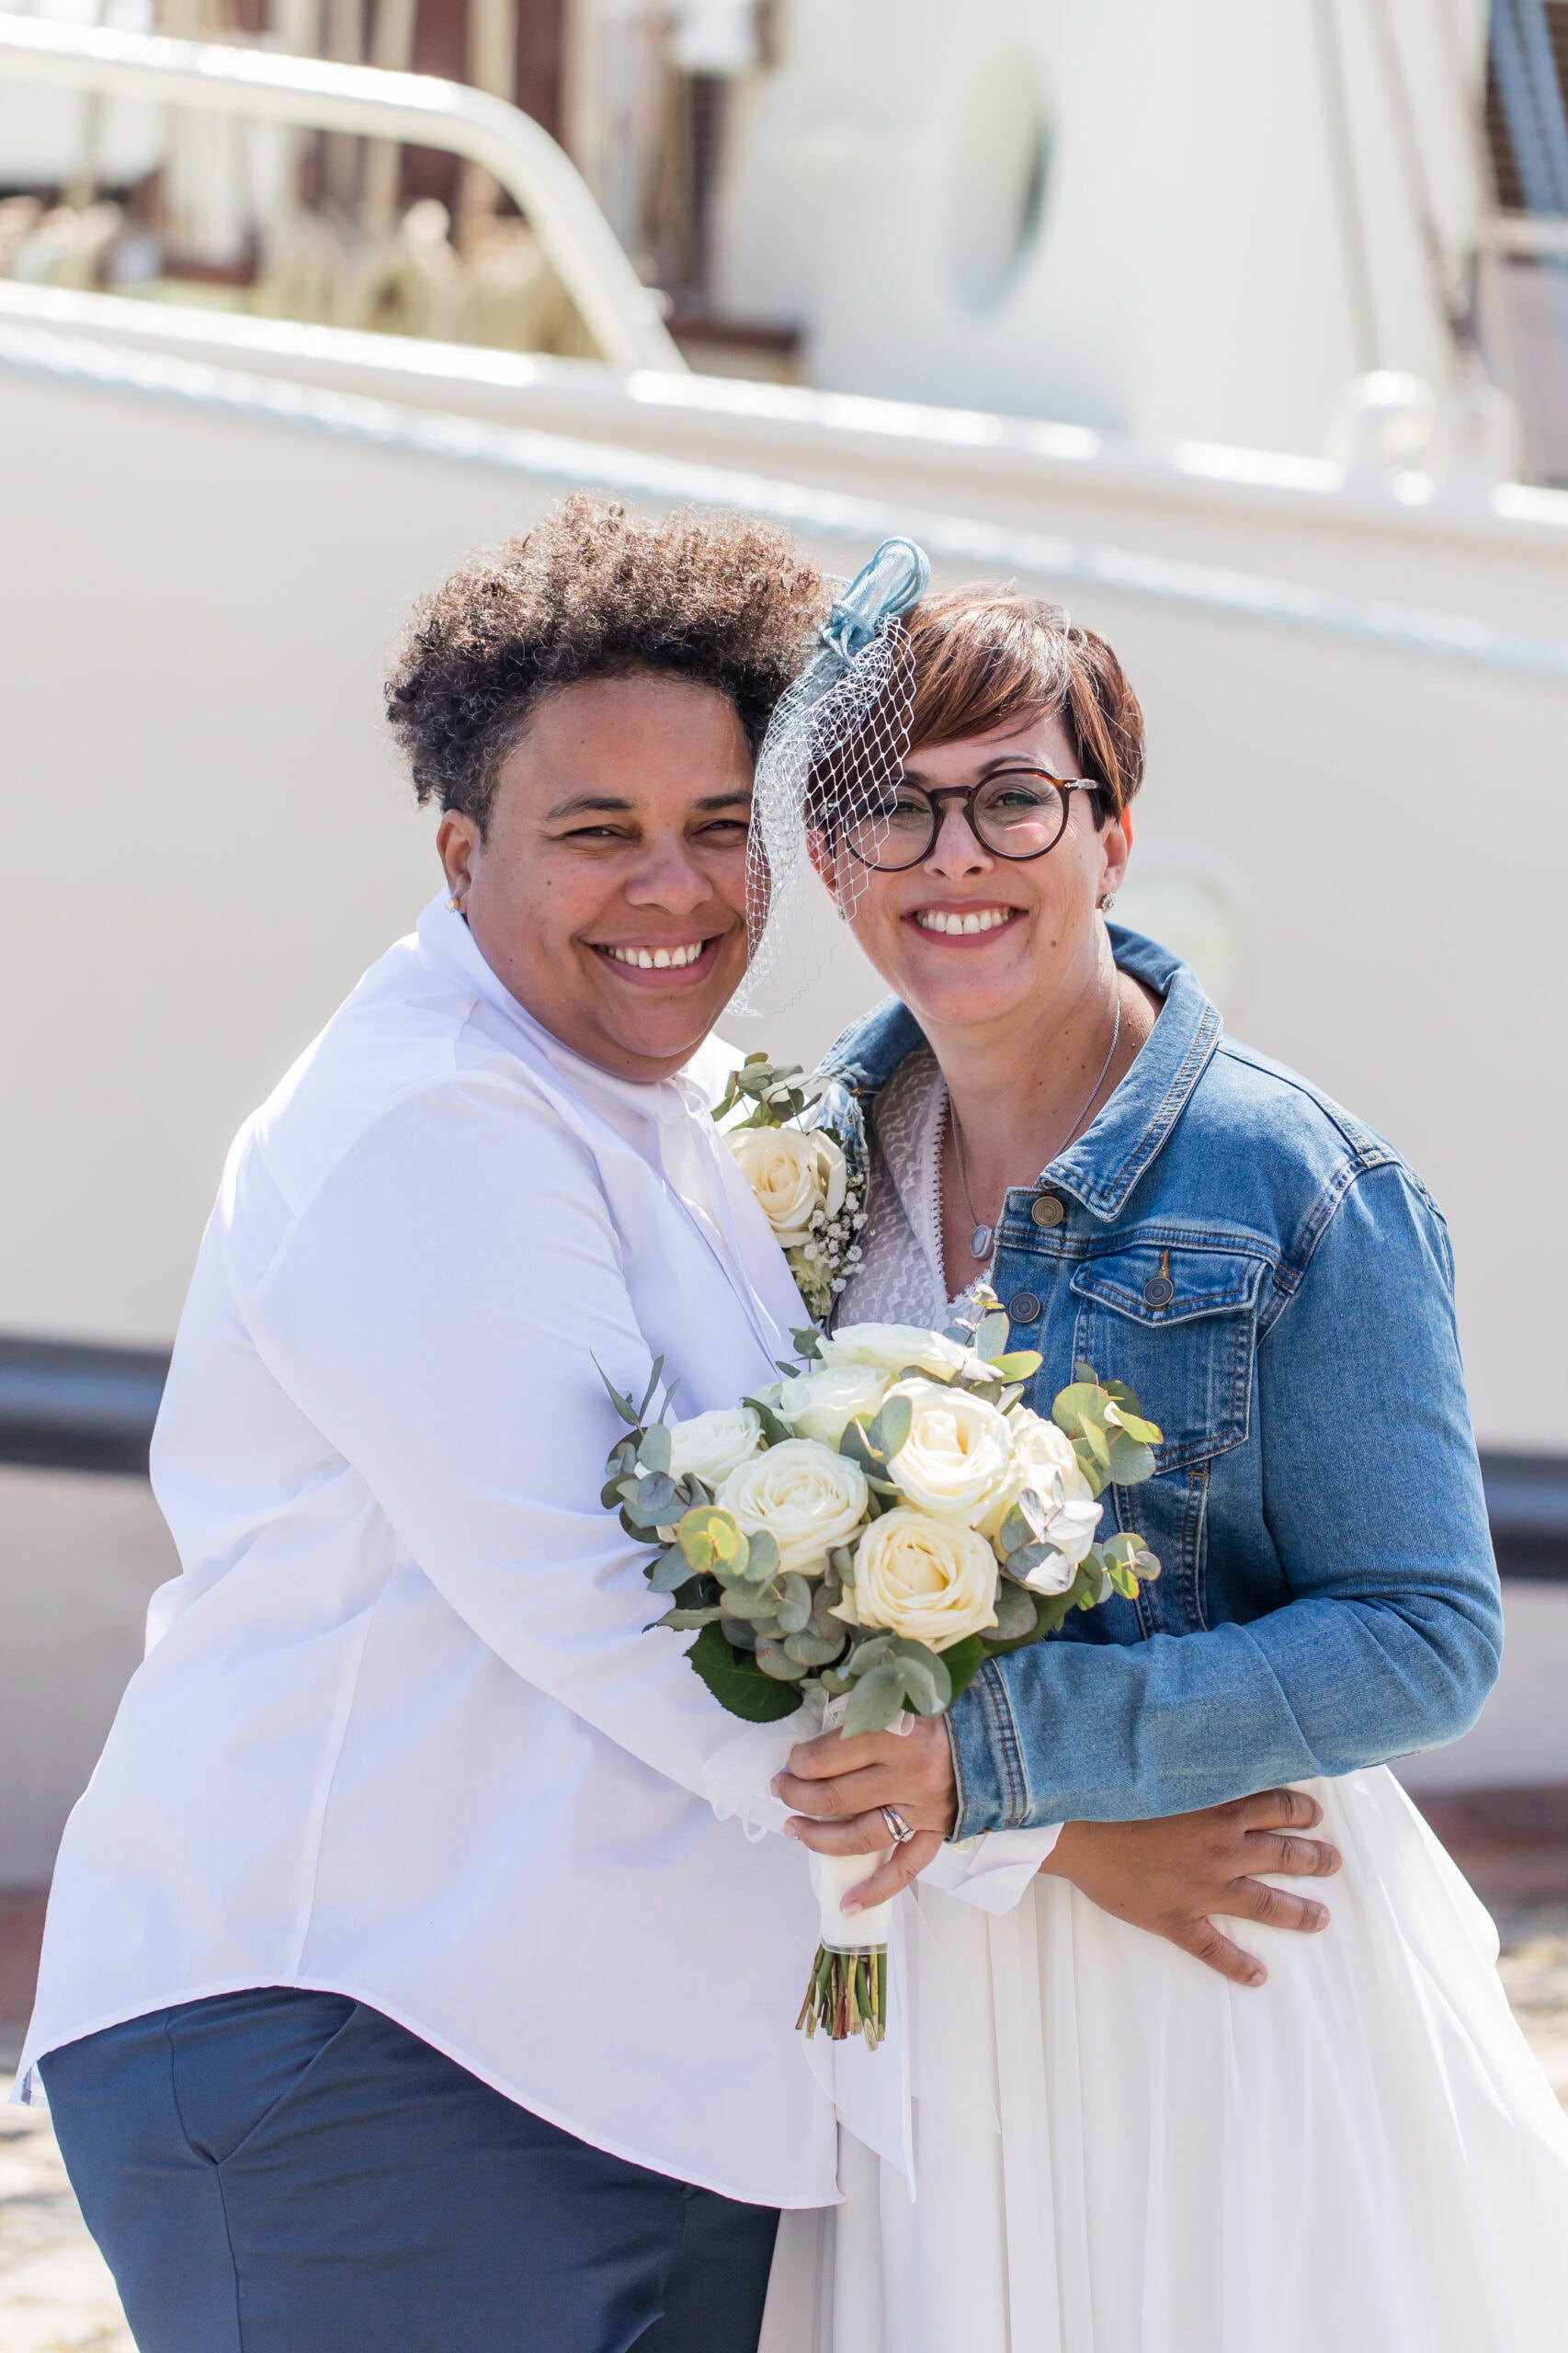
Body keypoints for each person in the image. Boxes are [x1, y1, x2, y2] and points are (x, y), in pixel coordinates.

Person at [14, 504, 1337, 2353]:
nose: (676, 890)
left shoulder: (661, 1101)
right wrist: (1054, 1830)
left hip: (597, 2071)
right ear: (462, 851)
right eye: (596, 833)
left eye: (719, 829)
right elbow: (627, 1613)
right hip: (365, 2040)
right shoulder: (432, 1130)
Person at [764, 579, 1568, 2351]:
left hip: (1210, 1952)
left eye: (1013, 797)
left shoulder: (1296, 1182)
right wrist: (1002, 1824)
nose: (950, 852)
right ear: (833, 862)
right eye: (893, 803)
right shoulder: (790, 1166)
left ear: (1110, 835)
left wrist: (1007, 1761)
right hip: (914, 1973)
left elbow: (1424, 1632)